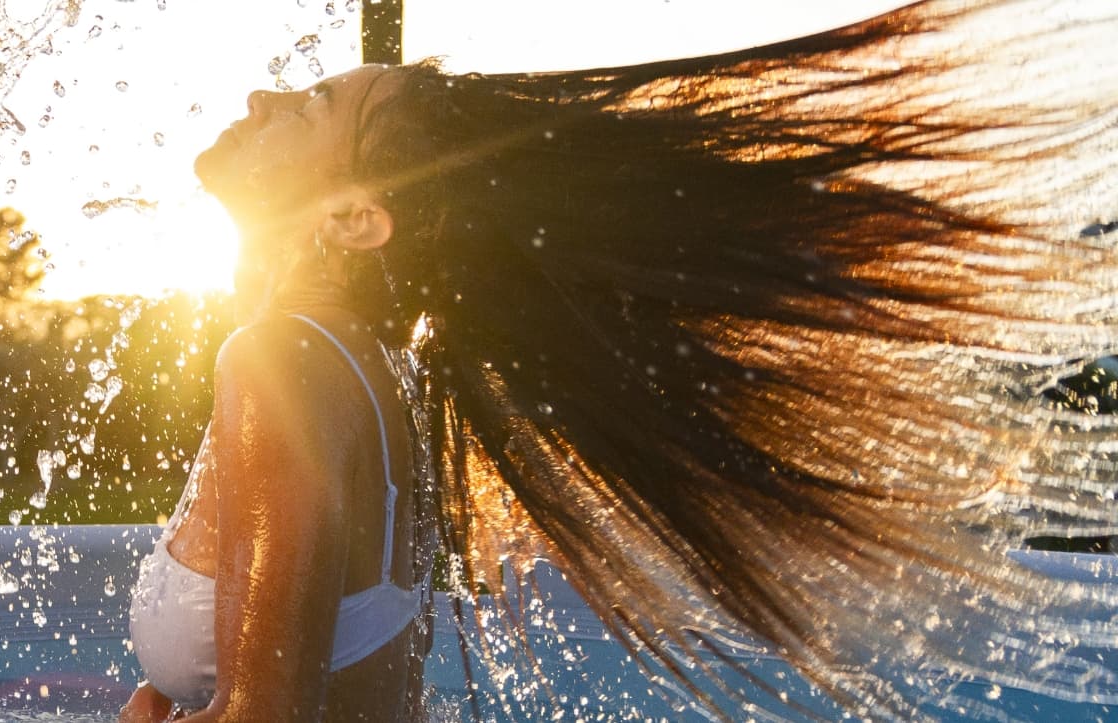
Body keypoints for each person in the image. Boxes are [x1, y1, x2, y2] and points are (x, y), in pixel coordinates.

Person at [122, 0, 1118, 720]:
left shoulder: (281, 364)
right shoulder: (379, 370)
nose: (261, 97)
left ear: (353, 218)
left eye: (306, 110)